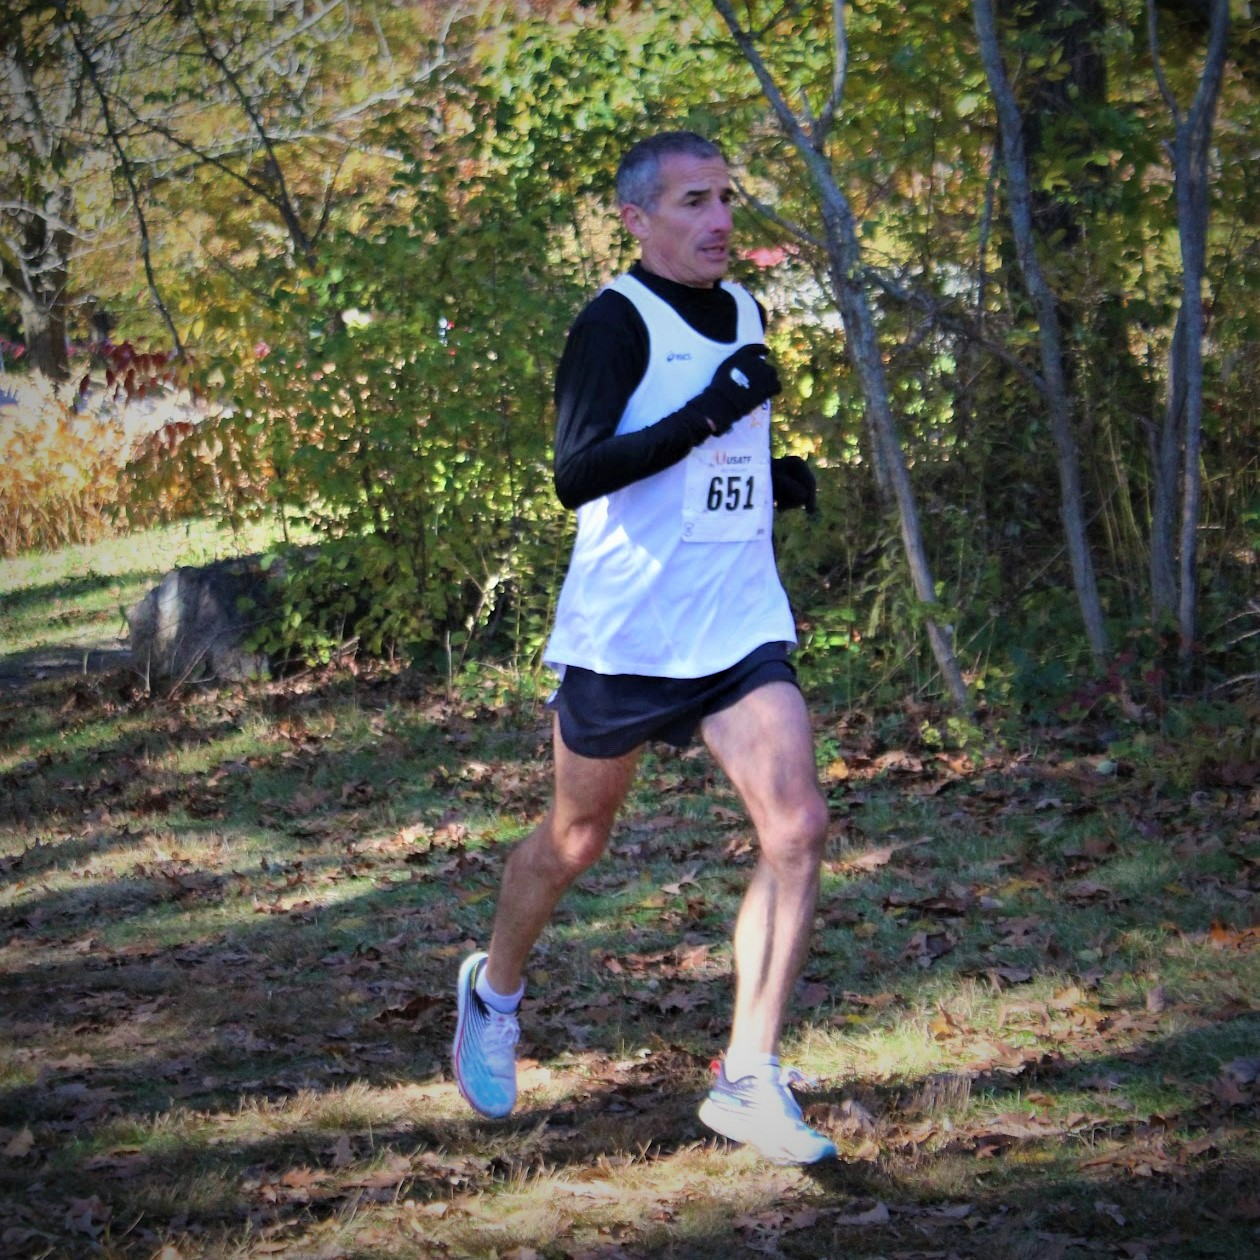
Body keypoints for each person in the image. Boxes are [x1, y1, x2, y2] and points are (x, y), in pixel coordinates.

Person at [451, 131, 834, 1166]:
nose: (720, 220)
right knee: (576, 841)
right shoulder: (613, 323)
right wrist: (717, 409)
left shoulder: (743, 309)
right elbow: (579, 473)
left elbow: (707, 460)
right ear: (637, 218)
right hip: (629, 630)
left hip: (735, 620)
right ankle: (494, 993)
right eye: (694, 201)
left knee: (797, 825)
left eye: (727, 198)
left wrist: (768, 479)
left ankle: (748, 1076)